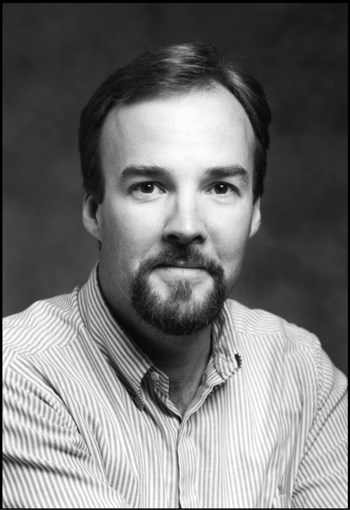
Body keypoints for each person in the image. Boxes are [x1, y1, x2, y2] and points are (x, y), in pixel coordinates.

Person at [3, 42, 347, 509]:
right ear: (93, 210)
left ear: (254, 213)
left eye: (221, 187)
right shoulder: (18, 374)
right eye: (148, 186)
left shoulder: (304, 375)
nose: (186, 226)